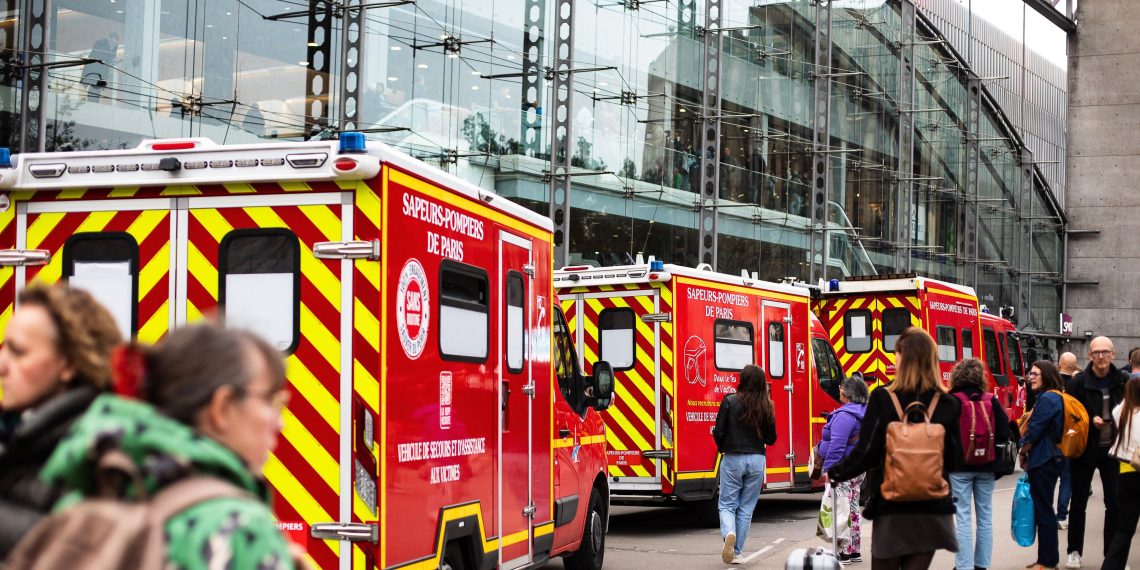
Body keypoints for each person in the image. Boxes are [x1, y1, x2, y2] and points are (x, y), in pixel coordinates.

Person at [36, 324, 296, 569]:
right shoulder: (241, 528)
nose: (280, 422)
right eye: (270, 401)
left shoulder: (80, 504)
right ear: (223, 407)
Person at [0, 285, 122, 558]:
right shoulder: (24, 435)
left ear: (67, 365)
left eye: (18, 352)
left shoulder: (97, 451)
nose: (1, 365)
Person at [828, 327, 963, 570]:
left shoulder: (883, 397)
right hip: (931, 509)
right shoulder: (947, 403)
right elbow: (955, 459)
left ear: (902, 358)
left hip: (892, 506)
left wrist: (838, 472)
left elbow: (867, 452)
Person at [1064, 336, 1127, 569]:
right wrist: (1091, 420)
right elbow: (1070, 413)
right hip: (1084, 449)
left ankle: (1112, 556)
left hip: (1113, 450)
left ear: (1113, 354)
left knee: (1114, 503)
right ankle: (1074, 551)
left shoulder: (1122, 380)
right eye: (1096, 352)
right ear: (1089, 355)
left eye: (1105, 352)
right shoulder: (1078, 382)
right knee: (1079, 501)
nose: (1101, 356)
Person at [947, 358, 1009, 570]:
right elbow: (1004, 432)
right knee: (985, 518)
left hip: (959, 468)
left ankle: (964, 566)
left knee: (963, 518)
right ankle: (981, 565)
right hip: (987, 466)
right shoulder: (991, 400)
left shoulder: (952, 400)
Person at [713, 364, 777, 565]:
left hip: (733, 457)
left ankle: (729, 533)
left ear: (742, 380)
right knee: (746, 507)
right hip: (757, 459)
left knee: (726, 504)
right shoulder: (767, 405)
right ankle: (737, 552)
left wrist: (723, 447)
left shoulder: (730, 401)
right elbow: (772, 438)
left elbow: (718, 431)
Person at [1019, 361, 1067, 570]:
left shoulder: (1048, 398)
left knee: (1044, 511)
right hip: (1050, 458)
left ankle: (1047, 562)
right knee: (1044, 509)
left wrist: (1022, 450)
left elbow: (1035, 431)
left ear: (1046, 375)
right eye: (1030, 374)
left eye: (1035, 374)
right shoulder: (1053, 396)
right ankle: (1045, 559)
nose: (1030, 377)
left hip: (1044, 459)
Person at [818, 376, 869, 565]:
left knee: (841, 510)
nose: (839, 389)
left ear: (848, 392)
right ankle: (855, 550)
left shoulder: (845, 416)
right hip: (858, 468)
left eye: (841, 387)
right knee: (853, 508)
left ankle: (844, 552)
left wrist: (829, 469)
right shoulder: (864, 412)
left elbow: (837, 446)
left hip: (843, 469)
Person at [1102, 374, 1140, 570]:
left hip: (1125, 472)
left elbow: (1121, 406)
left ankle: (1110, 566)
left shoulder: (1121, 412)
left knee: (1125, 527)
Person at [1055, 351, 1079, 530]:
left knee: (1047, 479)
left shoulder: (1051, 383)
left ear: (1059, 364)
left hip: (1051, 438)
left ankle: (1044, 515)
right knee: (1066, 479)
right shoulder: (1078, 385)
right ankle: (1062, 516)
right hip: (1069, 438)